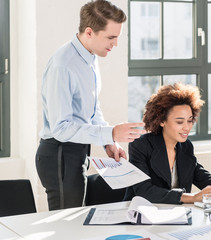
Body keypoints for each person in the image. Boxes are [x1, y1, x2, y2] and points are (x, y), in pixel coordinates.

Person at [36, 0, 145, 210]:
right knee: (67, 226)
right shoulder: (63, 65)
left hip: (77, 150)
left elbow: (92, 110)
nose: (115, 44)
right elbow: (61, 128)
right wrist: (111, 133)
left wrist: (108, 141)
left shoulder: (89, 57)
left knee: (76, 218)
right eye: (111, 37)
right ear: (89, 32)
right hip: (59, 153)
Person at [124, 83, 211, 204]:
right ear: (161, 121)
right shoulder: (141, 145)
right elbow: (144, 191)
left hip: (174, 213)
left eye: (190, 121)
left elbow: (200, 175)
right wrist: (192, 198)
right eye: (180, 122)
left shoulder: (185, 146)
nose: (187, 127)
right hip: (140, 212)